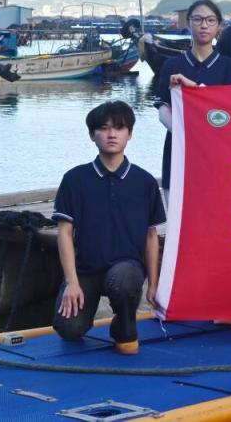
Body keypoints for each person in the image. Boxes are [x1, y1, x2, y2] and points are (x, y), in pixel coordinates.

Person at [52, 101, 166, 354]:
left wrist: (154, 284)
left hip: (127, 268)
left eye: (119, 128)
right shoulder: (74, 179)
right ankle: (78, 308)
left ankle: (123, 327)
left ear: (130, 134)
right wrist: (72, 282)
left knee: (124, 280)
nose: (111, 134)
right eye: (103, 128)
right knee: (69, 330)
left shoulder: (144, 182)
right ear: (92, 135)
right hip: (85, 269)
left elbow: (151, 236)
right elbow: (65, 233)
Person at [155, 0, 231, 192]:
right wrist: (185, 134)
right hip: (178, 149)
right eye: (198, 19)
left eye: (210, 20)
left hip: (217, 151)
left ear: (219, 25)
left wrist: (194, 88)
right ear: (188, 22)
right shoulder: (172, 65)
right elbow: (163, 110)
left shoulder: (229, 67)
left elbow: (228, 112)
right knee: (176, 203)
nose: (204, 25)